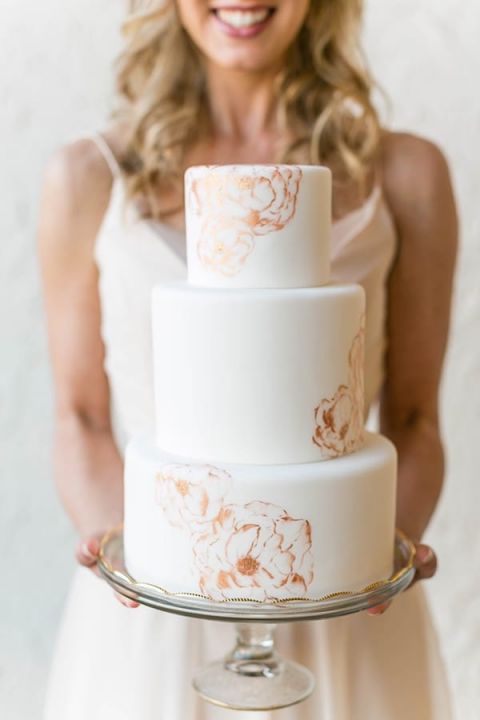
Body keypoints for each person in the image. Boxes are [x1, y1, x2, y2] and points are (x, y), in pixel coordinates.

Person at [38, 1, 458, 718]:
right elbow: (80, 417)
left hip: (341, 615)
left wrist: (375, 551)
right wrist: (148, 564)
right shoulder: (86, 178)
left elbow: (416, 418)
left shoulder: (409, 174)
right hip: (154, 621)